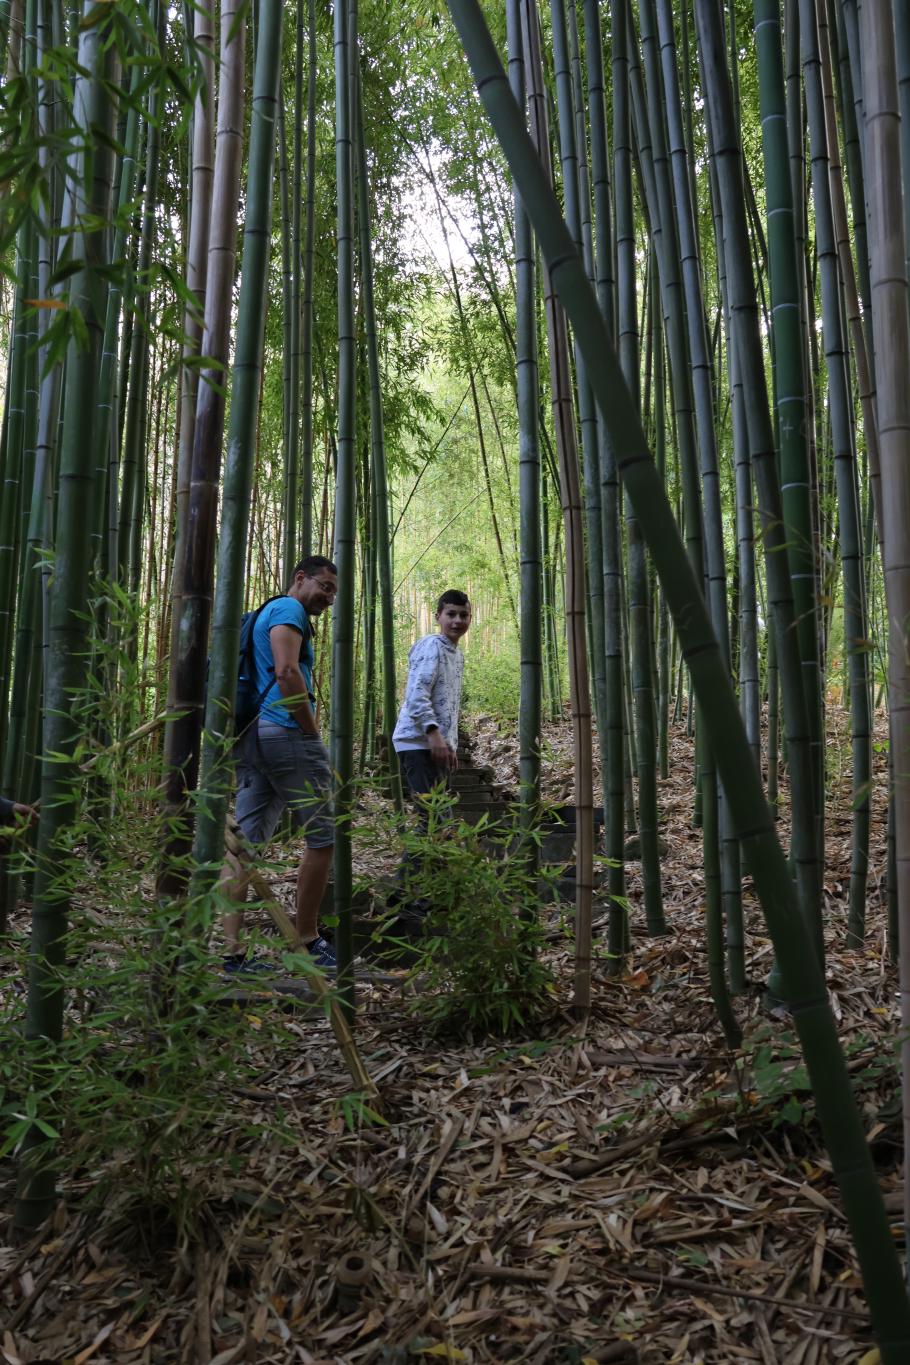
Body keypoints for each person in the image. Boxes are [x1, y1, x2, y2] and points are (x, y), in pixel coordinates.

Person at [222, 555, 339, 975]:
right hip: (285, 732)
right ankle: (309, 940)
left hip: (252, 737)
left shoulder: (264, 612)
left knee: (244, 846)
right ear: (300, 578)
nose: (328, 598)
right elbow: (288, 672)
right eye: (324, 586)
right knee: (325, 837)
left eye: (333, 592)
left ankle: (231, 953)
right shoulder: (288, 609)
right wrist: (309, 729)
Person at [390, 591, 471, 920]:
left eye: (463, 615)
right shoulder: (431, 646)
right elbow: (416, 694)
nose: (457, 621)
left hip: (435, 745)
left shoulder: (456, 654)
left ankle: (417, 895)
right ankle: (405, 899)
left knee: (438, 822)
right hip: (417, 742)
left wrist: (448, 744)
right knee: (432, 820)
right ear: (437, 615)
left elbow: (448, 704)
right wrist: (434, 734)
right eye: (450, 614)